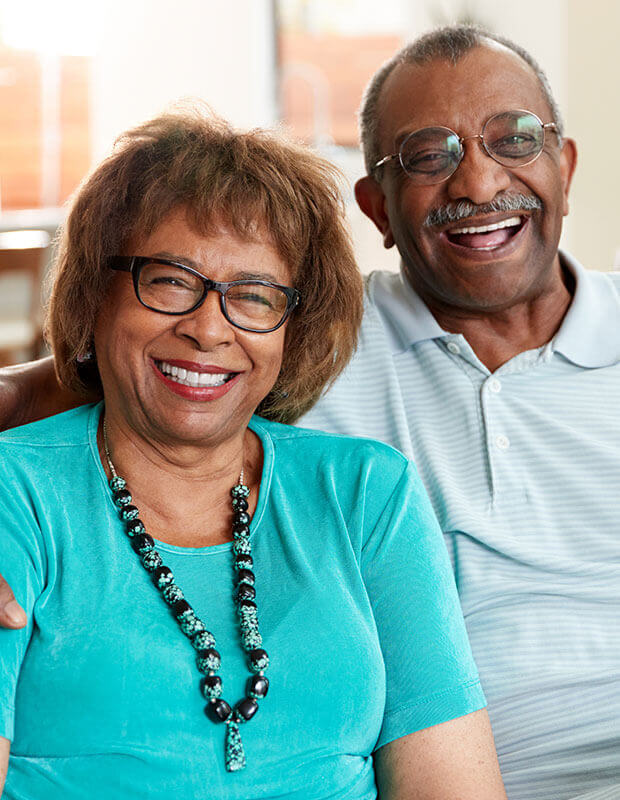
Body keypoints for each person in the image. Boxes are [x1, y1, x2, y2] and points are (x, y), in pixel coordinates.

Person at [2, 23, 619, 800]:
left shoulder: (355, 472)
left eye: (515, 139)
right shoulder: (331, 341)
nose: (478, 182)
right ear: (379, 209)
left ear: (564, 165)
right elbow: (101, 374)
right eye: (430, 156)